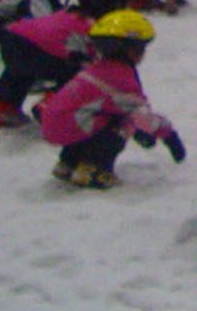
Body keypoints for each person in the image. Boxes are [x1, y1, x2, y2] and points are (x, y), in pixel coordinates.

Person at [38, 10, 185, 189]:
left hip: (57, 124)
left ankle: (69, 161)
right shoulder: (121, 79)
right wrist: (169, 134)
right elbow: (141, 117)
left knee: (103, 117)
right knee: (123, 123)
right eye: (141, 48)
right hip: (71, 125)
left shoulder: (97, 69)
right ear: (131, 51)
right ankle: (94, 169)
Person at [0, 0, 134, 128]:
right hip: (34, 49)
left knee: (19, 71)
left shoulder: (69, 13)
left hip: (12, 39)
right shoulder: (95, 27)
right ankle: (50, 106)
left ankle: (4, 107)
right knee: (83, 72)